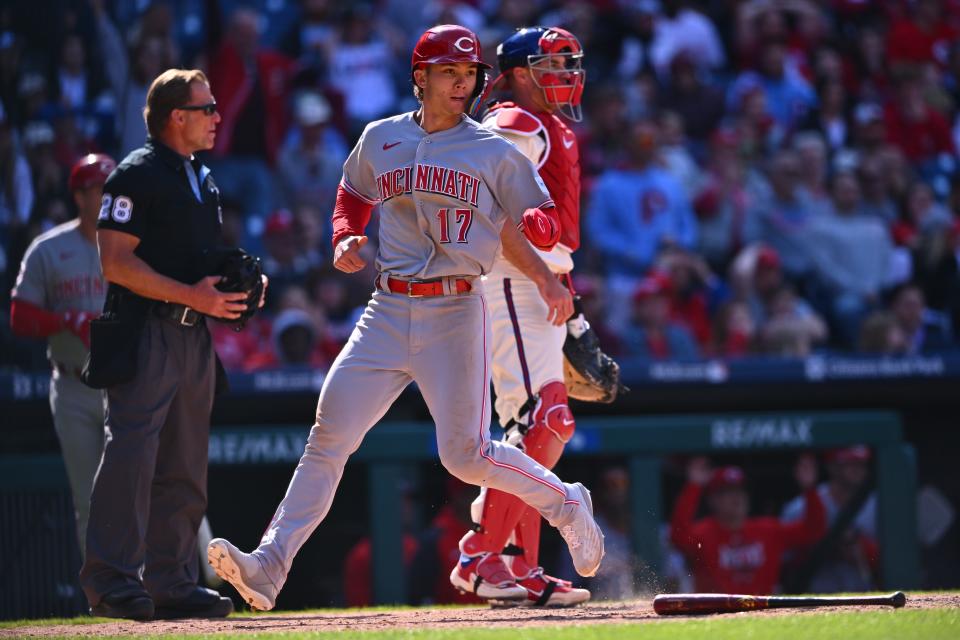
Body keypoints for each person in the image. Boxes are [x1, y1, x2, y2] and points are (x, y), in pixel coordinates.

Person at [206, 24, 604, 612]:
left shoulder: (492, 145)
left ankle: (568, 502)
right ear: (420, 78)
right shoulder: (381, 137)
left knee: (464, 455)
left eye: (469, 75)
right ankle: (268, 566)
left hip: (456, 309)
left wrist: (542, 236)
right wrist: (345, 234)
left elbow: (537, 216)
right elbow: (350, 192)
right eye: (449, 73)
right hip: (386, 308)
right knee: (329, 436)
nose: (461, 84)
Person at [79, 69, 258, 621]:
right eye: (206, 108)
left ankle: (172, 582)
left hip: (193, 335)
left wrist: (242, 284)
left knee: (183, 463)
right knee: (132, 457)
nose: (217, 117)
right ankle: (111, 581)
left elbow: (201, 256)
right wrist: (192, 295)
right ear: (176, 116)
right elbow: (115, 262)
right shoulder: (136, 173)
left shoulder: (200, 176)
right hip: (147, 329)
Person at [447, 26, 591, 608]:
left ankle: (515, 564)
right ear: (517, 72)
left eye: (569, 63)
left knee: (532, 427)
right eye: (551, 64)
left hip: (537, 283)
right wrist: (539, 275)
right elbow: (490, 199)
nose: (565, 74)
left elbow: (552, 236)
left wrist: (569, 307)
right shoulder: (514, 120)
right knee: (547, 420)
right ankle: (481, 553)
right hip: (511, 280)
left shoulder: (543, 125)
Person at [9, 153, 115, 557]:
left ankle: (141, 588)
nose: (105, 196)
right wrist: (64, 319)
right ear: (79, 195)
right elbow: (19, 316)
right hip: (71, 383)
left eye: (110, 188)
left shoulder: (132, 247)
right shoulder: (49, 249)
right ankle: (101, 596)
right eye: (97, 189)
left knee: (131, 493)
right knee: (87, 498)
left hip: (121, 384)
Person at [669, 456, 826, 595]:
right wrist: (694, 486)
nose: (736, 498)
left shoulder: (768, 530)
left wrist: (810, 489)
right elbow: (678, 537)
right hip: (715, 614)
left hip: (762, 613)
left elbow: (814, 530)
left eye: (739, 491)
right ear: (712, 500)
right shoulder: (704, 532)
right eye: (726, 492)